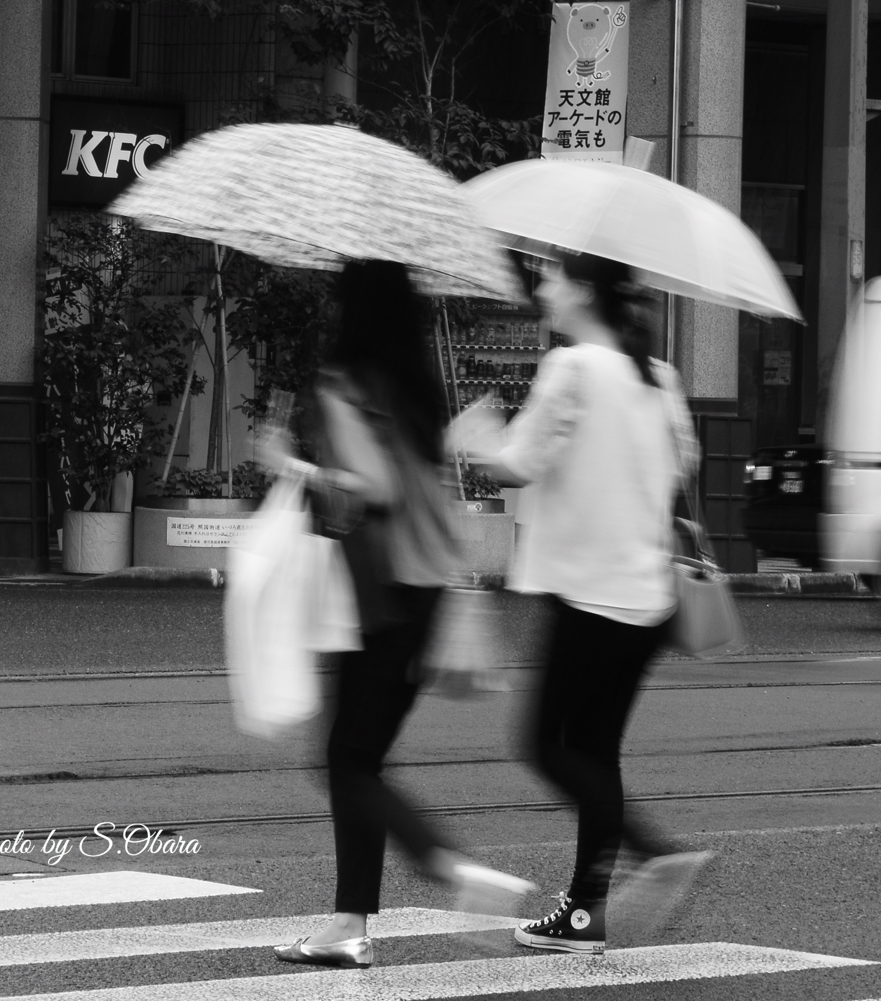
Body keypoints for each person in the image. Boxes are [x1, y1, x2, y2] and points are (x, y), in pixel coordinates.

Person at [259, 260, 533, 971]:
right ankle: (349, 925)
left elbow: (369, 487)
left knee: (345, 761)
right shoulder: (417, 388)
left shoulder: (344, 384)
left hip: (372, 594)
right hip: (425, 591)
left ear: (347, 310)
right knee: (360, 759)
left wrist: (292, 464)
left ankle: (451, 868)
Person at [450, 251, 711, 957]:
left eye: (557, 277)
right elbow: (683, 463)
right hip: (649, 600)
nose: (545, 287)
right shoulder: (656, 376)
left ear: (586, 290)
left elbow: (519, 463)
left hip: (590, 595)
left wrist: (476, 438)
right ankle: (583, 913)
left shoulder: (572, 367)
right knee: (594, 750)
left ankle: (652, 853)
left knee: (542, 743)